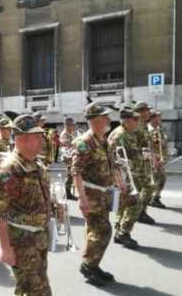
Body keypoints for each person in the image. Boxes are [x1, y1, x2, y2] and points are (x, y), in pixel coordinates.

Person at [0, 114, 64, 296]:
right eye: (35, 137)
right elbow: (0, 213)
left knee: (26, 286)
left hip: (39, 238)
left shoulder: (38, 165)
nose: (40, 142)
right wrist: (5, 249)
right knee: (40, 292)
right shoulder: (10, 170)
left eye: (39, 137)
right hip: (21, 242)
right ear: (21, 139)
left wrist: (54, 209)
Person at [73, 103, 126, 286]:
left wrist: (120, 182)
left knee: (95, 230)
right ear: (95, 120)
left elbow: (112, 165)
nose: (108, 120)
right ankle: (89, 265)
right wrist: (81, 198)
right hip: (91, 194)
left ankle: (92, 265)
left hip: (103, 194)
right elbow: (76, 171)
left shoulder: (104, 140)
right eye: (105, 117)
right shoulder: (85, 142)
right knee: (102, 230)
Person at [108, 106, 147, 250]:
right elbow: (115, 160)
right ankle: (124, 232)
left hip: (132, 176)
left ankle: (119, 231)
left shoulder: (129, 133)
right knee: (136, 205)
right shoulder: (119, 135)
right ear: (127, 121)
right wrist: (121, 182)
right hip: (125, 178)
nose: (138, 121)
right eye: (135, 119)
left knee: (123, 206)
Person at [133, 101, 156, 225]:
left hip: (144, 163)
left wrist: (152, 157)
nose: (149, 112)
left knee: (147, 187)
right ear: (141, 112)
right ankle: (138, 213)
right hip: (137, 164)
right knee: (145, 188)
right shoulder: (136, 126)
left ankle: (141, 211)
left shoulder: (144, 126)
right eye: (146, 110)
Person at [148, 110, 169, 208]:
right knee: (159, 180)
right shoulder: (152, 131)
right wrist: (156, 160)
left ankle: (152, 197)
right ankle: (154, 199)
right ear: (153, 118)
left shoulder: (158, 129)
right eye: (158, 116)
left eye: (160, 116)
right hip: (155, 161)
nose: (160, 118)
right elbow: (153, 147)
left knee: (159, 179)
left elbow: (160, 145)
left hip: (159, 160)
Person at [59, 116, 79, 200]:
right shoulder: (64, 135)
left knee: (70, 176)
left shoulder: (69, 134)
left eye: (73, 125)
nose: (73, 127)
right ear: (67, 125)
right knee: (69, 176)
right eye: (72, 125)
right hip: (67, 158)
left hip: (70, 157)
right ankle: (67, 194)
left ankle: (67, 193)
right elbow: (67, 146)